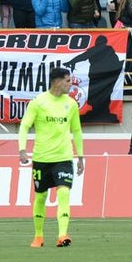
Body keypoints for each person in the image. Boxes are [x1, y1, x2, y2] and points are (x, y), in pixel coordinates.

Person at [18, 67, 86, 248]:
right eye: (68, 81)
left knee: (64, 193)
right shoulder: (38, 102)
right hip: (41, 158)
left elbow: (77, 130)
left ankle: (62, 235)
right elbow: (24, 126)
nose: (70, 84)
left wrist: (80, 155)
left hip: (63, 157)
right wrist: (22, 149)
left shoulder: (71, 104)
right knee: (40, 197)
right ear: (57, 82)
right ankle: (38, 236)